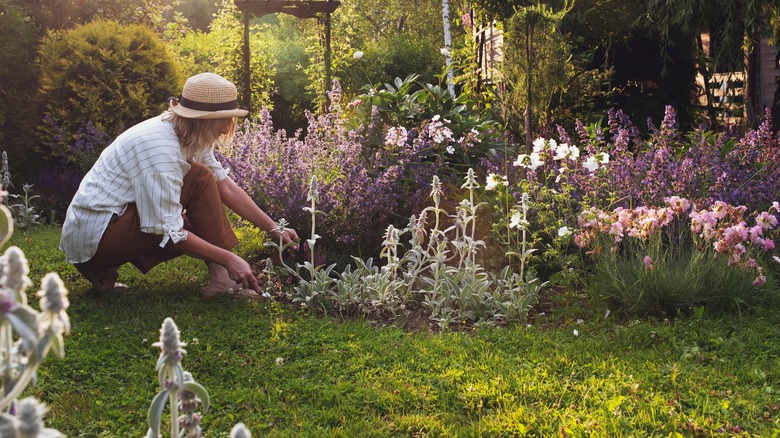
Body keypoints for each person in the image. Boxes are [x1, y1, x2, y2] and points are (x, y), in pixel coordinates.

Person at [59, 72, 298, 296]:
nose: (226, 128)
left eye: (228, 119)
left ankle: (218, 277)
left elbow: (225, 187)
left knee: (201, 180)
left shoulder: (190, 132)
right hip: (98, 239)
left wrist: (274, 228)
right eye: (220, 120)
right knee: (196, 187)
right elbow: (167, 229)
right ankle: (221, 276)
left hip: (107, 228)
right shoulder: (160, 149)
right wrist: (228, 259)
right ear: (200, 119)